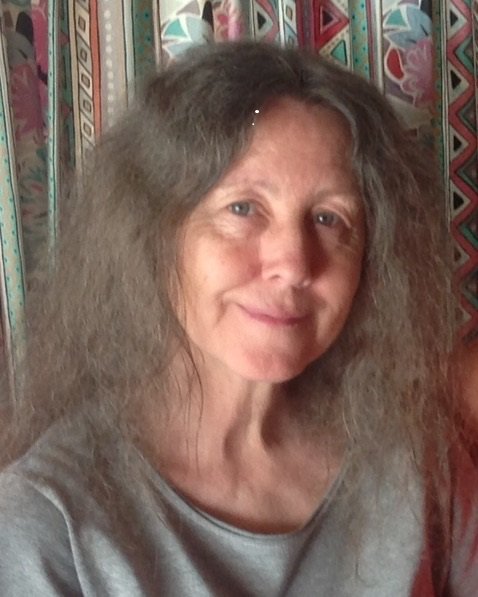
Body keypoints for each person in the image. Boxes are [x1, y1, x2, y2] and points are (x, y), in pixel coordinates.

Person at [0, 41, 476, 596]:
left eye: (328, 219)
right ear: (153, 237)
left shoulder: (418, 460)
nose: (294, 264)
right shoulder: (47, 524)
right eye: (243, 208)